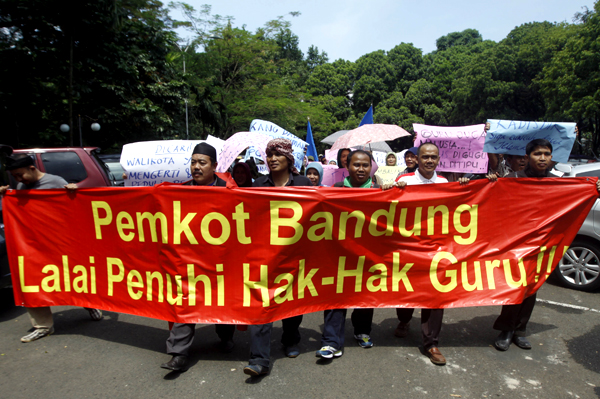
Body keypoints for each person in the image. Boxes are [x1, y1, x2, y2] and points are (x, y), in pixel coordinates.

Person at [485, 139, 600, 351]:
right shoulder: (512, 179)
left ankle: (520, 330)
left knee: (532, 287)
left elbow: (577, 200)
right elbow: (496, 206)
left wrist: (594, 188)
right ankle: (506, 329)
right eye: (538, 154)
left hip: (543, 244)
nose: (543, 158)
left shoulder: (558, 182)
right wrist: (492, 183)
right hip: (515, 243)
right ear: (528, 157)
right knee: (514, 285)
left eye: (547, 154)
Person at [0, 155, 103, 343]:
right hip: (34, 245)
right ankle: (42, 326)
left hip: (60, 242)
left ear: (32, 168)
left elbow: (75, 209)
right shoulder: (21, 188)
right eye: (15, 177)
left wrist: (74, 192)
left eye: (20, 175)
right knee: (31, 280)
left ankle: (89, 302)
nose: (18, 180)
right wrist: (6, 196)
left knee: (74, 276)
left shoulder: (55, 182)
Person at [387, 143, 469, 366]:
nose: (430, 161)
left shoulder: (444, 183)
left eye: (433, 157)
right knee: (406, 287)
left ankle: (431, 342)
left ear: (438, 159)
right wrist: (394, 189)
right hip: (409, 246)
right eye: (425, 157)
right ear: (417, 159)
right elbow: (388, 207)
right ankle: (404, 320)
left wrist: (462, 187)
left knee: (435, 293)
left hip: (436, 248)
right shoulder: (405, 181)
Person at [161, 143, 236, 372]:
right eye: (193, 162)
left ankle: (225, 335)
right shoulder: (178, 192)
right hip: (189, 261)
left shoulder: (231, 192)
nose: (196, 167)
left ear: (214, 166)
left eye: (202, 163)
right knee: (185, 301)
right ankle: (178, 353)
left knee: (224, 302)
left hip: (222, 260)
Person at [244, 138, 312, 377]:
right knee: (261, 303)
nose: (272, 159)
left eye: (277, 154)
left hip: (294, 255)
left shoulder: (304, 184)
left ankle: (291, 339)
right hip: (263, 256)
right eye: (269, 155)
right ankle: (259, 358)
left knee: (292, 302)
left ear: (288, 158)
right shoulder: (257, 185)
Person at [315, 150, 381, 358]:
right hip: (339, 252)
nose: (360, 169)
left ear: (371, 167)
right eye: (356, 165)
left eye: (365, 165)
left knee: (365, 293)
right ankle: (331, 341)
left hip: (368, 252)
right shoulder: (335, 189)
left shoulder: (379, 190)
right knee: (336, 295)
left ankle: (362, 331)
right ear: (347, 167)